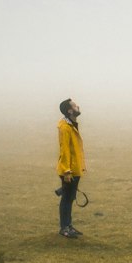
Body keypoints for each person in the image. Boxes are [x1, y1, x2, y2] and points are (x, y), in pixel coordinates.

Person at [56, 98, 86, 238]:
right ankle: (65, 228)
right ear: (70, 110)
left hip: (74, 168)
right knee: (67, 199)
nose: (77, 106)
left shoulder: (71, 124)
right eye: (75, 106)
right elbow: (65, 150)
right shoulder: (65, 127)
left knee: (69, 198)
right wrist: (67, 171)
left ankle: (68, 226)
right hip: (69, 170)